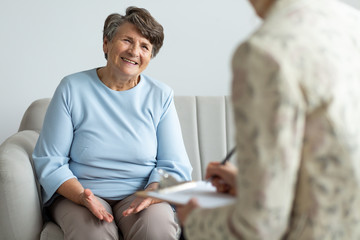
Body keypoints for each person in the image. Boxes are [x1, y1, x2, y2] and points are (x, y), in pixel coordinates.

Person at [177, 0, 360, 239]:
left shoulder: (264, 52)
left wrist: (193, 221)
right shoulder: (352, 21)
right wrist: (247, 185)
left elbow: (258, 226)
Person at [32, 6, 192, 240]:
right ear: (106, 44)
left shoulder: (161, 96)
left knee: (156, 228)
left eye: (145, 46)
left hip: (141, 194)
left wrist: (151, 194)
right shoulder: (72, 88)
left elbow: (174, 165)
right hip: (81, 192)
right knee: (93, 233)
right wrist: (82, 196)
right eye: (127, 40)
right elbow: (50, 161)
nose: (134, 51)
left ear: (150, 57)